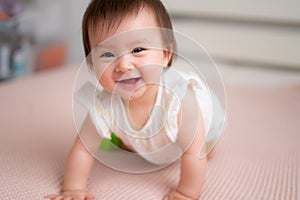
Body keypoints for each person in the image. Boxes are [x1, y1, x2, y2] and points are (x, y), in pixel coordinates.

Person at [45, 0, 224, 199]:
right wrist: (73, 189)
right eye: (107, 54)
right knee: (131, 138)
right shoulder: (104, 106)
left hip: (202, 129)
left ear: (165, 55)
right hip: (153, 141)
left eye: (137, 50)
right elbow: (82, 151)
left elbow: (194, 153)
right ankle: (134, 140)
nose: (123, 65)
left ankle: (206, 143)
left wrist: (186, 194)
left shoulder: (180, 100)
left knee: (203, 147)